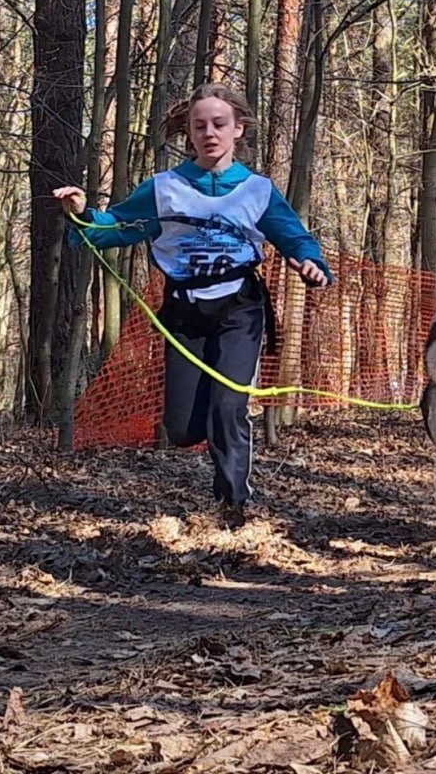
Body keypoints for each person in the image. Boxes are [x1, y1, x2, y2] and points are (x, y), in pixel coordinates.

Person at [55, 82, 332, 530]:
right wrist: (82, 213)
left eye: (219, 124)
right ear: (189, 132)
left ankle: (233, 505)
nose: (209, 133)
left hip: (239, 308)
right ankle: (214, 445)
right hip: (183, 312)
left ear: (238, 129)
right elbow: (114, 227)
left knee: (228, 405)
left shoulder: (257, 190)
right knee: (182, 429)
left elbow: (294, 237)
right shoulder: (165, 188)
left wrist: (311, 263)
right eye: (199, 126)